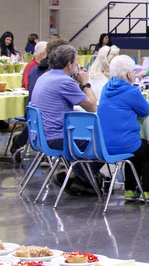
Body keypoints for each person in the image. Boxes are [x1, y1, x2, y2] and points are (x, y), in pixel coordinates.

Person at [29, 44, 98, 196]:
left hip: (40, 137)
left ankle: (74, 177)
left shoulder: (45, 76)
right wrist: (85, 83)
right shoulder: (65, 82)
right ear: (69, 64)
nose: (78, 65)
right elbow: (92, 106)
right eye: (76, 61)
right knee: (101, 140)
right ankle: (76, 177)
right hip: (56, 138)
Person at [97, 56, 149, 202]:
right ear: (129, 74)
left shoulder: (106, 87)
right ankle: (148, 191)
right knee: (148, 154)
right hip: (124, 143)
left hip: (103, 143)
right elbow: (145, 111)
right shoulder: (132, 91)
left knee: (134, 154)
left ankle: (130, 190)